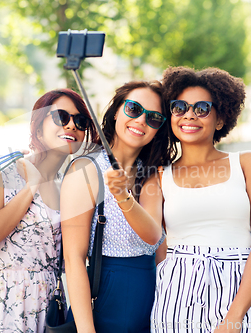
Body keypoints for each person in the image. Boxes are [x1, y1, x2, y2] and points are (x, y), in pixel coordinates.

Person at [148, 66, 251, 333]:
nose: (189, 115)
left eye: (202, 108)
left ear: (220, 120)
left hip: (237, 287)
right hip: (176, 290)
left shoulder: (247, 164)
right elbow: (157, 243)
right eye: (180, 107)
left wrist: (235, 315)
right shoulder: (160, 175)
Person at [0, 89, 98, 333]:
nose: (71, 125)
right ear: (38, 128)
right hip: (5, 305)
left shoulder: (67, 188)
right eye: (61, 117)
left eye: (79, 121)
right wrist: (32, 185)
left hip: (50, 307)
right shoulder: (6, 168)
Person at [60, 80, 174, 333]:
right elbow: (74, 258)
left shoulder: (153, 174)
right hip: (104, 300)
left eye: (154, 118)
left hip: (153, 301)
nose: (142, 120)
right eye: (134, 109)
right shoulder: (86, 170)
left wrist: (124, 196)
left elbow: (155, 240)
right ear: (115, 112)